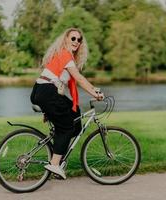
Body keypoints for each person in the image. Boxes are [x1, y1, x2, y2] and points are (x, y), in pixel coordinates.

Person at [30, 27, 104, 179]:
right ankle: (54, 164)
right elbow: (79, 78)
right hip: (46, 91)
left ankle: (60, 158)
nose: (76, 42)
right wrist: (94, 93)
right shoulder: (65, 54)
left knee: (75, 117)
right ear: (65, 40)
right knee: (67, 126)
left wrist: (93, 88)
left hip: (42, 91)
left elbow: (67, 85)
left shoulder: (64, 55)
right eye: (73, 38)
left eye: (79, 40)